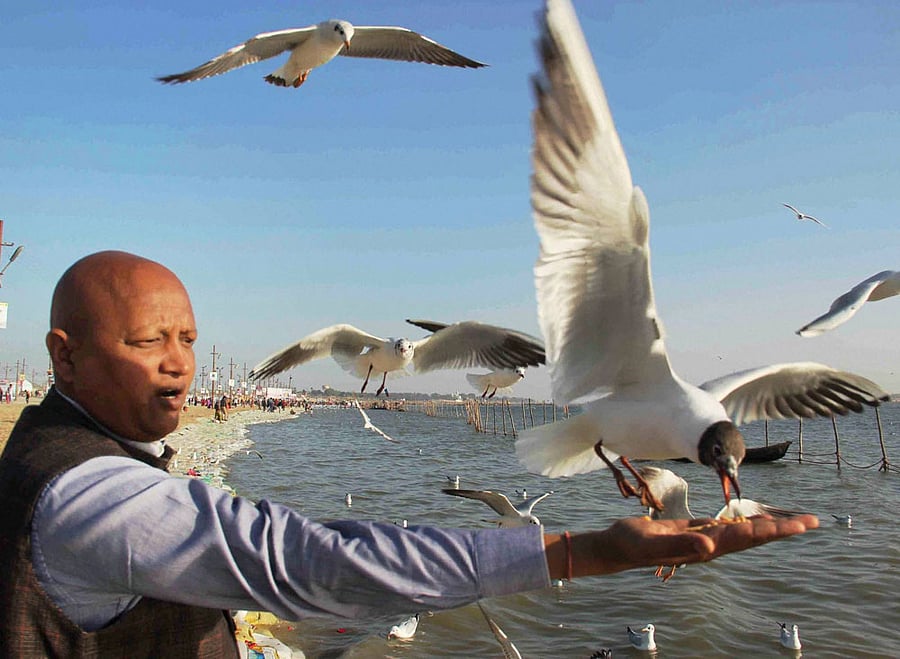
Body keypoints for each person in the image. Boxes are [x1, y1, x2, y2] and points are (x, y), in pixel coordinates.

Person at [0, 251, 817, 657]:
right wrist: (590, 549)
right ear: (63, 356)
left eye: (188, 339)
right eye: (150, 342)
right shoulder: (88, 494)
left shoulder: (65, 455)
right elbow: (310, 562)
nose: (179, 361)